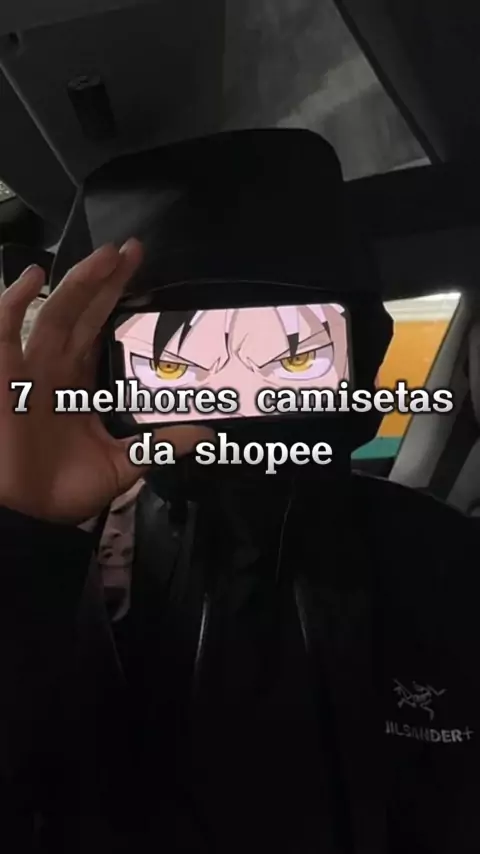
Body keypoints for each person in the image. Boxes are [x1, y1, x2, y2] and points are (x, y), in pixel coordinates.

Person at [2, 212, 480, 852]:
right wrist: (23, 541)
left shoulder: (447, 562)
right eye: (176, 366)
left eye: (295, 358)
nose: (230, 398)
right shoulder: (74, 559)